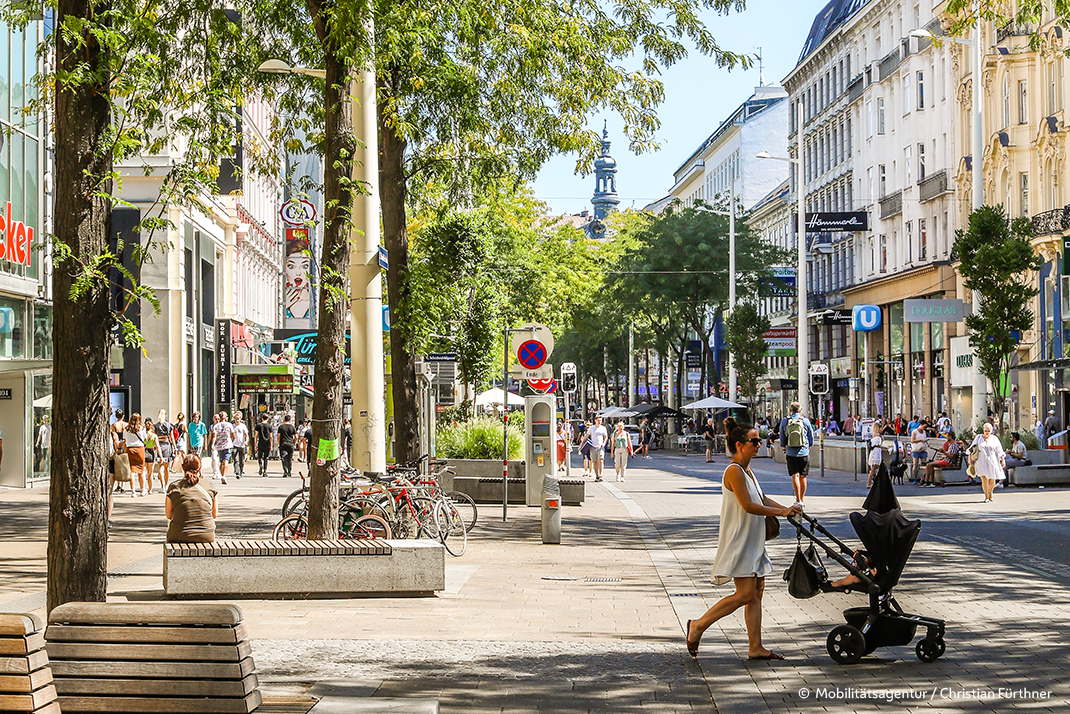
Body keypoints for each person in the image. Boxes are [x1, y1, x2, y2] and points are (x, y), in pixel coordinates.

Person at [685, 417, 800, 660]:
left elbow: (762, 499)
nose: (759, 445)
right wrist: (781, 512)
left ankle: (755, 647)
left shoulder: (747, 470)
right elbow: (748, 506)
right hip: (740, 540)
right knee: (745, 594)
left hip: (752, 539)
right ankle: (697, 625)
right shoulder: (734, 471)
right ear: (740, 444)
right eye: (754, 442)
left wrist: (790, 509)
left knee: (756, 592)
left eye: (760, 441)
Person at [165, 454, 219, 543]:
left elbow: (169, 515)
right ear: (200, 468)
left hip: (178, 535)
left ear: (182, 467)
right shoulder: (210, 486)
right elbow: (214, 514)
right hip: (206, 536)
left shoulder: (174, 487)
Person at [779, 402, 814, 507]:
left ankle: (798, 500)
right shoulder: (805, 421)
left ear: (790, 410)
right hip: (804, 452)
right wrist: (808, 446)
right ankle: (802, 499)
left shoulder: (785, 421)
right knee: (803, 477)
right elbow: (811, 436)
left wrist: (784, 446)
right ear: (800, 411)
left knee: (795, 475)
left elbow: (782, 435)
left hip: (791, 452)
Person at [970, 423, 1006, 503]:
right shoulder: (979, 438)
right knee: (984, 479)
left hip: (993, 461)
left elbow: (999, 449)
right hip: (981, 461)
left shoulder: (994, 439)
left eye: (988, 431)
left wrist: (1002, 459)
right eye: (985, 430)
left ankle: (991, 492)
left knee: (992, 479)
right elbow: (971, 448)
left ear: (991, 431)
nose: (987, 432)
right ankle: (986, 496)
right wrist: (970, 461)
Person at [124, 413, 147, 497]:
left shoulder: (127, 429)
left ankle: (133, 491)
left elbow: (125, 439)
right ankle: (142, 489)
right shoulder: (142, 428)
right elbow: (145, 439)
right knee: (141, 470)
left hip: (130, 449)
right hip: (140, 449)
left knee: (132, 470)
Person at [211, 412, 235, 484]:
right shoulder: (229, 425)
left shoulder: (216, 426)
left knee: (221, 462)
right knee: (226, 461)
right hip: (227, 445)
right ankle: (224, 475)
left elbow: (214, 436)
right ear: (226, 417)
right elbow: (233, 435)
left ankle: (222, 475)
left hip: (219, 445)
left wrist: (212, 444)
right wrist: (231, 441)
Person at [154, 410, 175, 489]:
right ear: (165, 415)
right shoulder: (169, 425)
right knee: (166, 467)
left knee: (160, 466)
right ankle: (166, 484)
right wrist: (175, 447)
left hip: (159, 444)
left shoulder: (155, 426)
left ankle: (162, 485)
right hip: (166, 445)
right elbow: (172, 438)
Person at [588, 416, 609, 482]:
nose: (599, 422)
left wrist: (604, 443)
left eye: (600, 420)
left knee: (601, 460)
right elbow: (586, 435)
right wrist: (582, 444)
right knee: (595, 462)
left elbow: (606, 437)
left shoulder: (603, 428)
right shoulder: (591, 428)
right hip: (593, 447)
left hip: (600, 447)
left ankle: (601, 475)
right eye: (598, 420)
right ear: (595, 420)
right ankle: (597, 475)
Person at [143, 417, 160, 495]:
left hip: (143, 451)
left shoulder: (142, 434)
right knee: (150, 474)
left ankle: (143, 488)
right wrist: (161, 456)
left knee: (143, 472)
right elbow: (157, 446)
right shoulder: (154, 436)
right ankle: (150, 489)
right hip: (151, 452)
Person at [277, 414, 297, 478]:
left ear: (284, 420)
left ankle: (285, 471)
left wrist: (279, 443)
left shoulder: (281, 427)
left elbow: (278, 436)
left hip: (283, 443)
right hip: (290, 444)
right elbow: (296, 436)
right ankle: (289, 471)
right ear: (290, 420)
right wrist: (294, 442)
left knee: (283, 458)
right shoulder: (292, 427)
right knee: (290, 458)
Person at [910, 418, 929, 484]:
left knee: (924, 464)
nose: (924, 428)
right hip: (916, 450)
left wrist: (927, 443)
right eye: (924, 426)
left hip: (923, 450)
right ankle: (915, 478)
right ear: (920, 425)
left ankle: (923, 478)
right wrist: (921, 440)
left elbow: (925, 439)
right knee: (915, 464)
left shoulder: (924, 432)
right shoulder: (915, 431)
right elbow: (912, 440)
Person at [232, 412, 248, 479]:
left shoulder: (243, 426)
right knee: (235, 459)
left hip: (242, 445)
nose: (237, 420)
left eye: (238, 419)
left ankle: (241, 471)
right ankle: (237, 472)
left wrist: (246, 441)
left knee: (242, 460)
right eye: (236, 419)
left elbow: (246, 435)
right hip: (234, 444)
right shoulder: (232, 426)